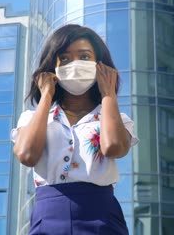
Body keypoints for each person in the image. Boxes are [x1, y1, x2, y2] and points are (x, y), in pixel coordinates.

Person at [11, 24, 139, 235]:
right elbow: (26, 155)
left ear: (101, 65)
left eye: (85, 56)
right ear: (53, 67)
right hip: (48, 215)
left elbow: (114, 148)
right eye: (65, 58)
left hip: (101, 216)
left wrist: (108, 94)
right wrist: (46, 96)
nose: (75, 64)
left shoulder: (117, 119)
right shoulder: (33, 118)